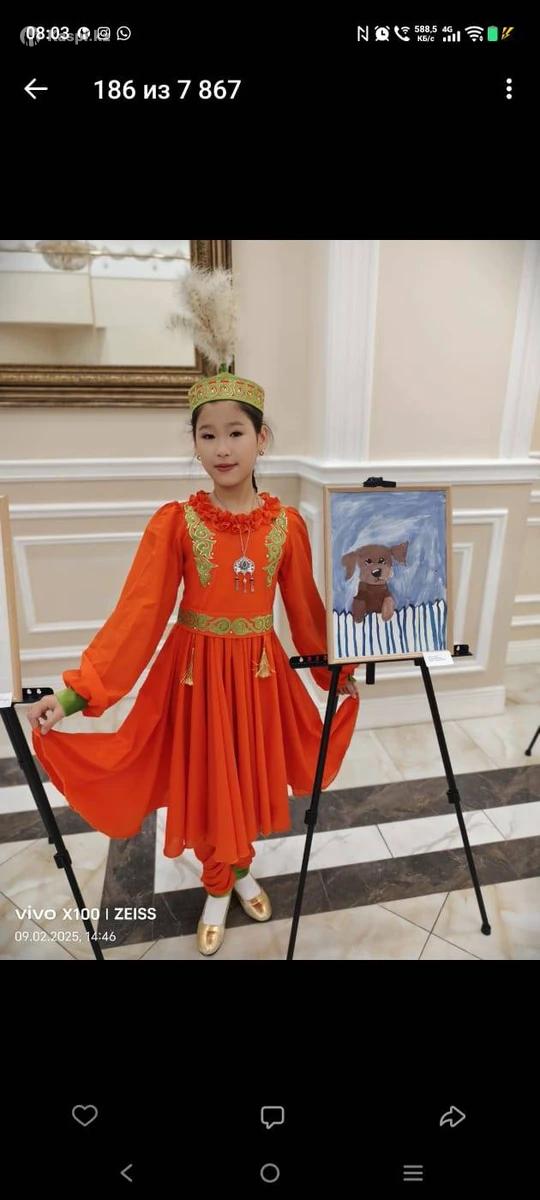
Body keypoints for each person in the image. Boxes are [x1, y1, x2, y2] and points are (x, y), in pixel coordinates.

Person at [27, 268, 360, 956]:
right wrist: (76, 693)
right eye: (207, 436)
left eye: (236, 432)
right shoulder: (177, 522)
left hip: (259, 676)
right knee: (209, 782)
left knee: (246, 776)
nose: (222, 448)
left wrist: (338, 674)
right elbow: (138, 617)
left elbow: (305, 613)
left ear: (262, 439)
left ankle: (238, 868)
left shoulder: (287, 526)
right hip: (195, 676)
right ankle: (218, 882)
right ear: (195, 444)